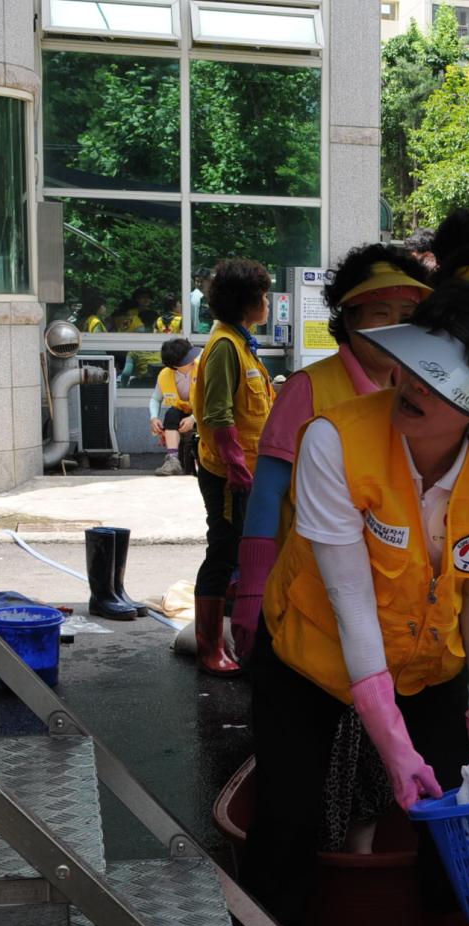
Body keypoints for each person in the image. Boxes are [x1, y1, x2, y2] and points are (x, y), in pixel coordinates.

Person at [243, 280, 469, 926]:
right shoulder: (333, 440)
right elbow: (349, 608)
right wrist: (391, 744)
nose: (409, 384)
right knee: (288, 820)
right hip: (309, 654)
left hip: (426, 664)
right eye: (411, 367)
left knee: (455, 831)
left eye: (436, 382)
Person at [231, 243, 433, 662]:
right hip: (309, 596)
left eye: (407, 318)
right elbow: (267, 494)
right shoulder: (309, 388)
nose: (395, 328)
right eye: (381, 314)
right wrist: (252, 590)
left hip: (390, 600)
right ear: (351, 318)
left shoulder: (418, 393)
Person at [190, 258, 277, 677]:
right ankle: (209, 649)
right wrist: (237, 466)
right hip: (229, 475)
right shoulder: (225, 346)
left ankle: (234, 636)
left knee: (240, 551)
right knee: (222, 554)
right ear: (248, 301)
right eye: (263, 295)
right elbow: (220, 415)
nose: (267, 302)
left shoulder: (240, 343)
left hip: (247, 472)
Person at [149, 337, 198, 477]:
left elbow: (213, 400)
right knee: (171, 414)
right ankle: (172, 460)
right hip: (182, 412)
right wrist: (153, 417)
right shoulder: (165, 375)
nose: (193, 358)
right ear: (175, 365)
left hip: (205, 411)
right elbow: (155, 398)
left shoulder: (204, 367)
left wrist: (193, 418)